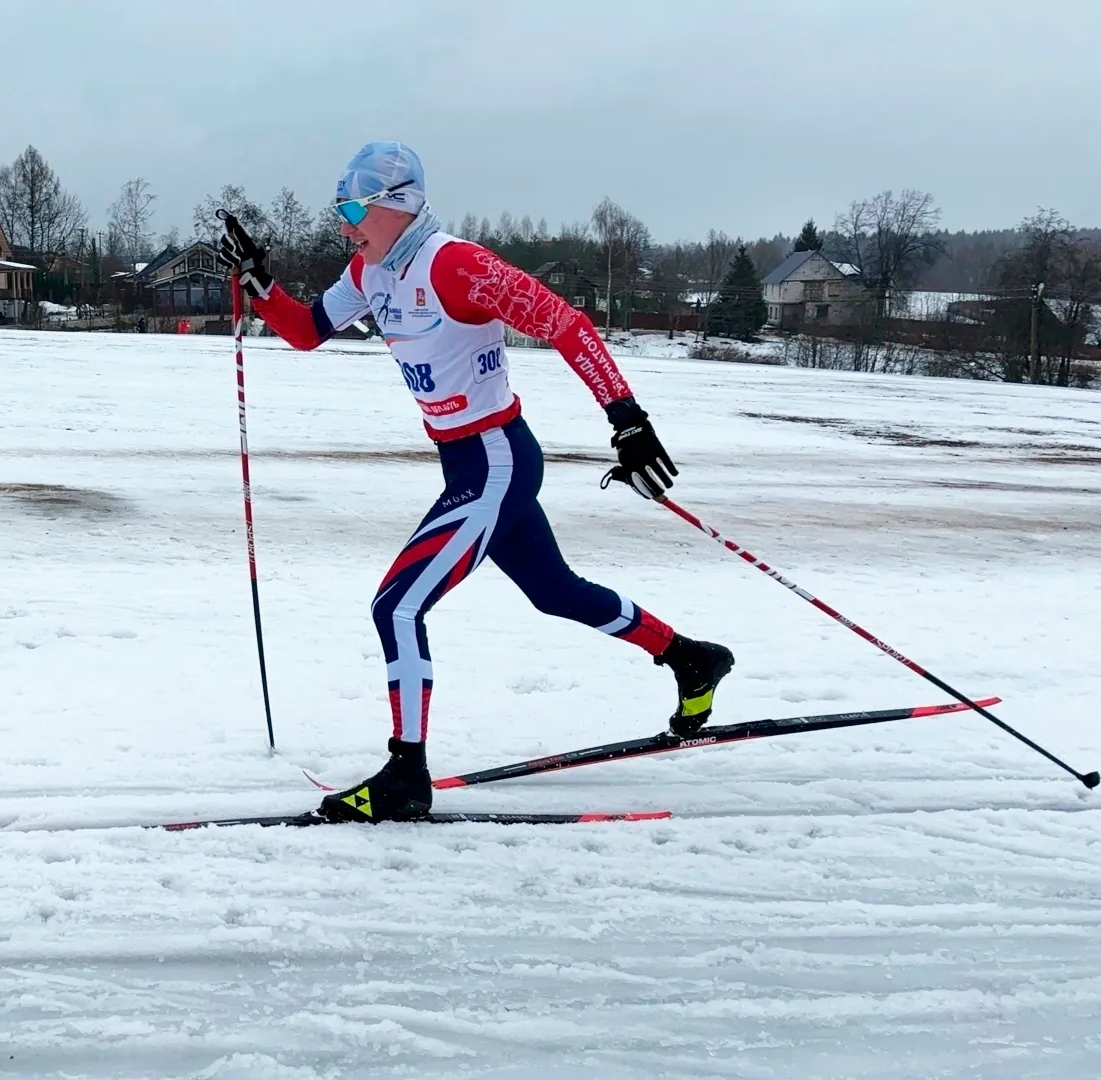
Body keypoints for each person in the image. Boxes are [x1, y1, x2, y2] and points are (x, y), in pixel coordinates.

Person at [219, 142, 734, 823]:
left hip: (496, 459)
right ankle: (690, 658)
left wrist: (627, 419)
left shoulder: (453, 265)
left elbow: (565, 323)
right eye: (339, 210)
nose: (344, 225)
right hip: (468, 463)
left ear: (396, 204)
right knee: (556, 593)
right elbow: (308, 330)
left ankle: (405, 775)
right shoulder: (372, 271)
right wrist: (260, 286)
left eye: (352, 209)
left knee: (397, 606)